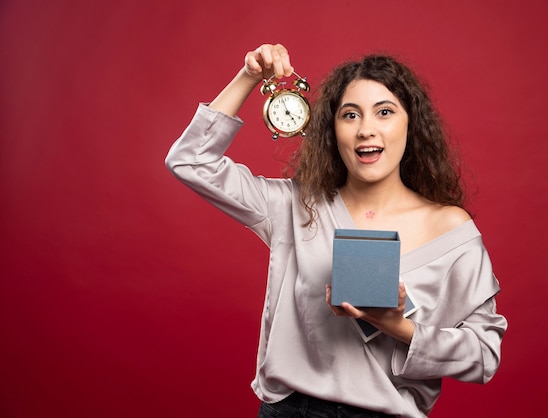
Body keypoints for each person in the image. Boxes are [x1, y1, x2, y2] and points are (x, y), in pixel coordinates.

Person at [165, 43, 507, 418]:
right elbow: (190, 160)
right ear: (332, 129)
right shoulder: (297, 207)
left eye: (385, 112)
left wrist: (398, 326)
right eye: (350, 115)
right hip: (291, 411)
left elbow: (483, 355)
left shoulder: (451, 230)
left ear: (411, 123)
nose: (366, 130)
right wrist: (249, 77)